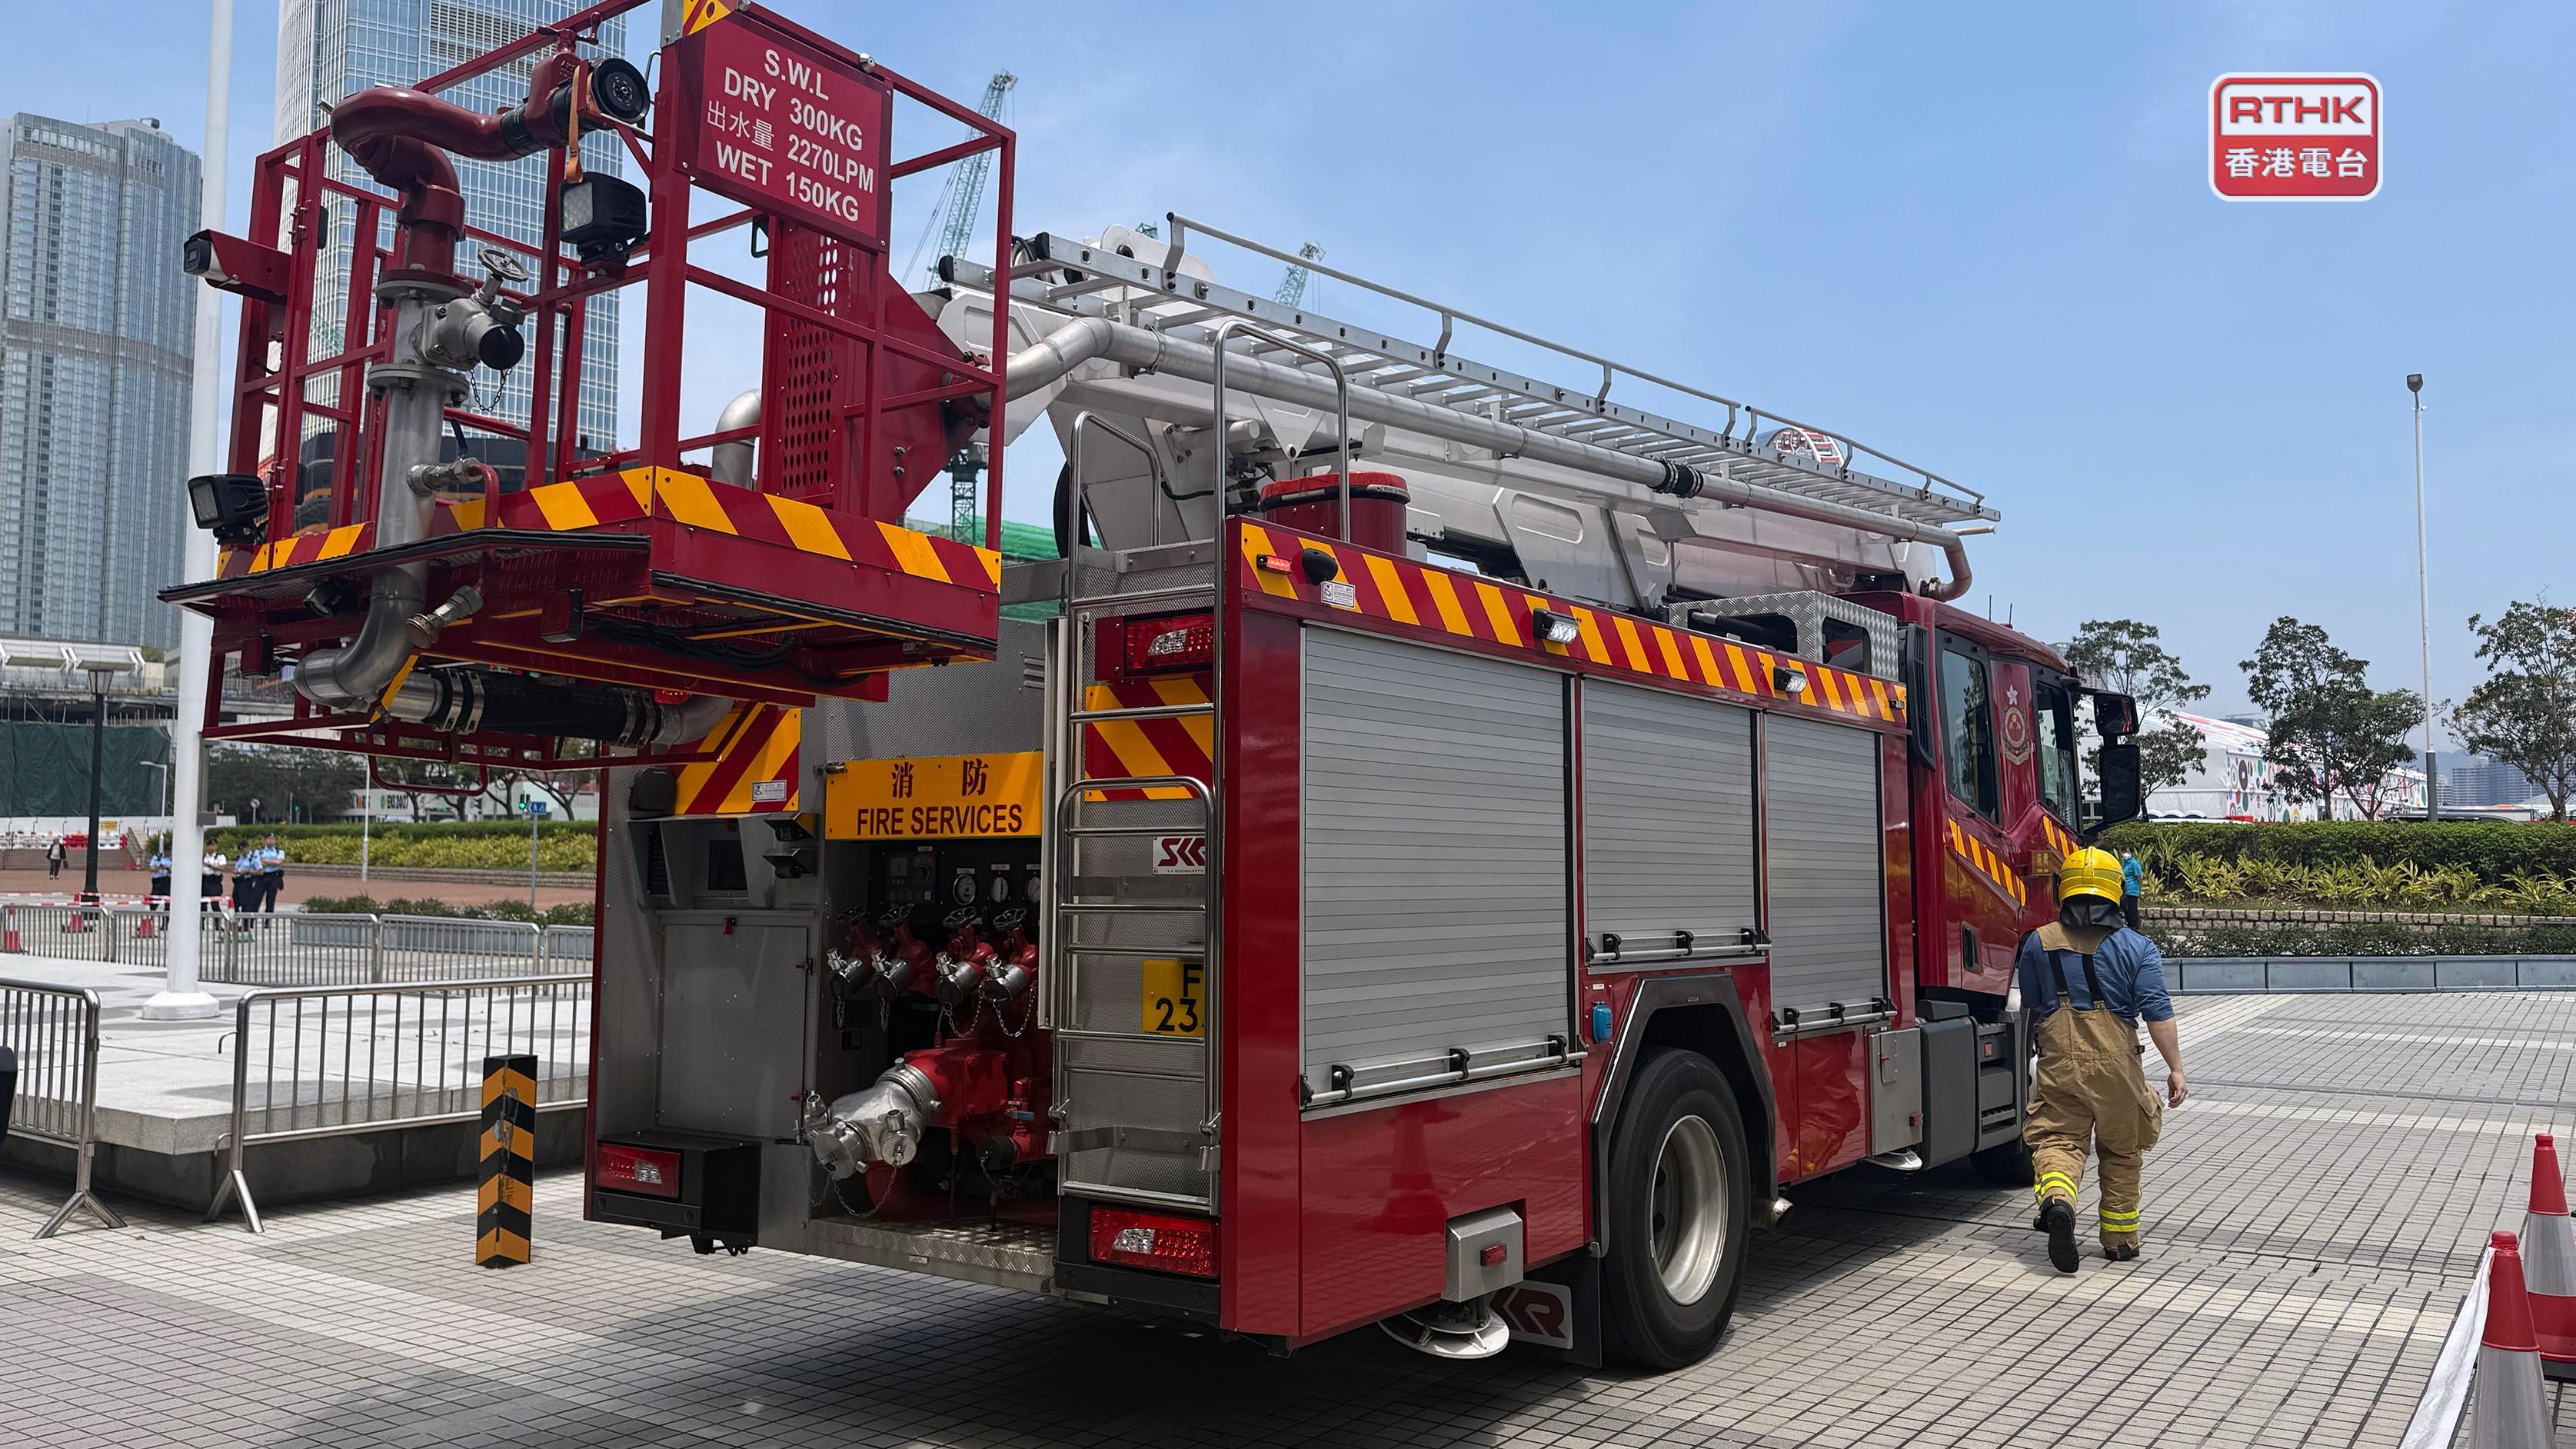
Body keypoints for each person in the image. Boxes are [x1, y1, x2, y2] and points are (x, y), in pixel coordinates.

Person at [2020, 846, 2187, 1273]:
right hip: (2117, 1065)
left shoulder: (2038, 942)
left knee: (2058, 1140)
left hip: (2059, 1060)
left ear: (2063, 889)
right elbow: (2157, 1012)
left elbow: (2033, 1004)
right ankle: (2119, 1241)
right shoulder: (2138, 947)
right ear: (2116, 890)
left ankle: (2059, 1200)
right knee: (2122, 1149)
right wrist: (2175, 1069)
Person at [255, 834, 286, 922]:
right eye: (269, 839)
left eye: (273, 839)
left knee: (271, 899)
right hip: (262, 877)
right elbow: (258, 863)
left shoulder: (279, 852)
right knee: (256, 898)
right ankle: (252, 921)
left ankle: (268, 921)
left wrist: (264, 861)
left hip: (274, 877)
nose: (271, 841)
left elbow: (278, 862)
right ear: (265, 840)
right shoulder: (259, 851)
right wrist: (272, 862)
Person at [2120, 850, 2145, 931]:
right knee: (2125, 907)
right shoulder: (2124, 862)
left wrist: (2139, 889)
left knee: (2132, 907)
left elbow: (2139, 877)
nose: (2125, 854)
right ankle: (2129, 924)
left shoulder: (2134, 863)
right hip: (2125, 889)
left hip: (2133, 888)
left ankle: (2135, 925)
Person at [201, 845, 228, 914]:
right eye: (209, 845)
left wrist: (210, 865)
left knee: (215, 904)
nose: (211, 847)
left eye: (213, 845)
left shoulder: (220, 856)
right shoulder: (203, 856)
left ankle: (218, 920)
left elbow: (222, 867)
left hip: (214, 880)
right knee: (203, 904)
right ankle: (202, 921)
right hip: (205, 880)